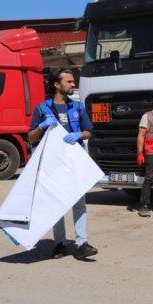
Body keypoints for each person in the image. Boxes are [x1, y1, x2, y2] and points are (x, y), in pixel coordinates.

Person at [27, 69, 98, 261]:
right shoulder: (41, 109)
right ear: (57, 85)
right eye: (69, 81)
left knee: (79, 203)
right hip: (53, 163)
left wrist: (79, 135)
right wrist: (41, 126)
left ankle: (82, 243)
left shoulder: (78, 106)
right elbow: (30, 137)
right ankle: (60, 243)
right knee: (56, 204)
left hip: (75, 161)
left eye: (73, 81)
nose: (73, 84)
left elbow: (88, 132)